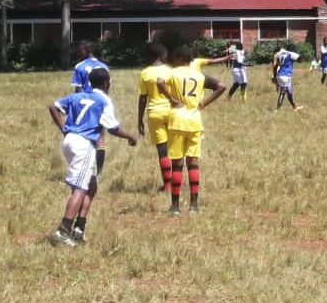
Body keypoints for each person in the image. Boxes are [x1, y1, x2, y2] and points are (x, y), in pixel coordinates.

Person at [48, 68, 137, 247]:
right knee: (79, 188)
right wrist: (130, 136)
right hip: (85, 144)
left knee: (91, 185)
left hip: (69, 141)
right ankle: (63, 231)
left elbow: (53, 106)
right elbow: (112, 128)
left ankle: (79, 227)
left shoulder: (77, 96)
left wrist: (64, 128)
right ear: (106, 83)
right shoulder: (103, 100)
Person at [159, 45, 226, 216]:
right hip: (195, 120)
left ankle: (175, 206)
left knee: (177, 164)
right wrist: (203, 103)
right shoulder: (198, 74)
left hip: (177, 120)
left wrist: (171, 99)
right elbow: (221, 86)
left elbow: (159, 82)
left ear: (179, 58)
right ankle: (194, 205)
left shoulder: (173, 73)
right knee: (193, 163)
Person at [137, 42, 173, 193]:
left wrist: (139, 119)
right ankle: (178, 181)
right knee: (176, 149)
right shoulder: (171, 71)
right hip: (172, 111)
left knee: (162, 150)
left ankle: (167, 185)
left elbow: (143, 98)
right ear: (162, 55)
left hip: (154, 113)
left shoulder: (145, 73)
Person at [71, 41, 111, 173]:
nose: (78, 52)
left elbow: (78, 89)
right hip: (100, 103)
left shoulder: (79, 67)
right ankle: (98, 172)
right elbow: (107, 88)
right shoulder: (104, 66)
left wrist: (75, 108)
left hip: (85, 104)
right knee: (100, 137)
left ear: (85, 50)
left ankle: (84, 168)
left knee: (83, 136)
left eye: (79, 49)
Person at [272, 42, 304, 111]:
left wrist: (275, 77)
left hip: (280, 75)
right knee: (283, 92)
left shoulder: (279, 55)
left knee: (289, 92)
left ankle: (294, 107)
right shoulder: (290, 54)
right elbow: (300, 59)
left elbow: (275, 67)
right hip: (286, 75)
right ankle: (277, 109)